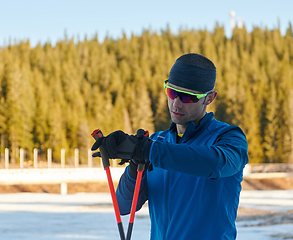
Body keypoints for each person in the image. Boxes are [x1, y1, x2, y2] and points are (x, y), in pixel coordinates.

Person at [92, 53, 249, 240]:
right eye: (171, 92)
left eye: (187, 97)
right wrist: (135, 164)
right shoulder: (157, 142)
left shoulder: (228, 138)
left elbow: (217, 163)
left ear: (209, 98)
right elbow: (124, 206)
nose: (176, 103)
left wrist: (149, 151)